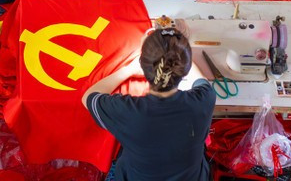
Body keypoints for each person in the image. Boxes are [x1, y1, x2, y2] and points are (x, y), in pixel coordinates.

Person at [81, 23, 216, 181]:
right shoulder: (203, 100)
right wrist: (176, 48)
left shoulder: (128, 112)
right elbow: (200, 79)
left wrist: (128, 70)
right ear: (183, 69)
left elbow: (88, 96)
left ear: (143, 66)